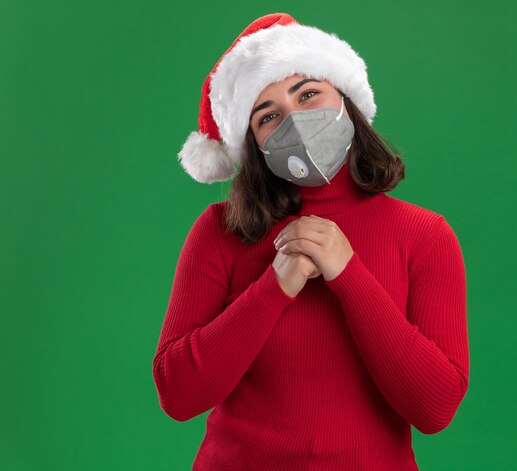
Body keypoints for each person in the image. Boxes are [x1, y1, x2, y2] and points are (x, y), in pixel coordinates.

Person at [152, 12, 470, 471]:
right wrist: (272, 288)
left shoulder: (424, 236)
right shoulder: (220, 231)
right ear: (253, 144)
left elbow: (435, 407)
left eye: (308, 94)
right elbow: (178, 395)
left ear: (345, 100)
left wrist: (349, 275)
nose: (295, 122)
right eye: (268, 116)